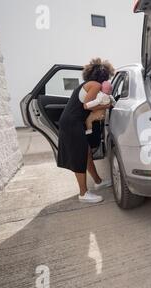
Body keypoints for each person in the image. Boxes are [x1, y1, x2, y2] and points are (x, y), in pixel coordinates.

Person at [57, 58, 115, 203]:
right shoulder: (95, 85)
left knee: (87, 152)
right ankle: (83, 193)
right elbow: (87, 106)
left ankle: (98, 181)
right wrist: (107, 107)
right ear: (104, 76)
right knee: (79, 156)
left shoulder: (86, 84)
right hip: (73, 123)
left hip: (72, 122)